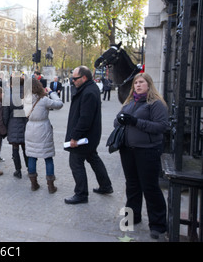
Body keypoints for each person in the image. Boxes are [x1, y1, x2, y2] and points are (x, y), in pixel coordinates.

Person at [114, 73, 168, 240]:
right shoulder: (130, 102)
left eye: (141, 82)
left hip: (148, 150)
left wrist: (135, 122)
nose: (137, 85)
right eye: (136, 82)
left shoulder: (156, 104)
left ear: (149, 84)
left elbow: (161, 126)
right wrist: (121, 119)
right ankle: (132, 217)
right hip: (128, 150)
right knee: (131, 186)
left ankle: (158, 225)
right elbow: (117, 122)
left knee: (150, 187)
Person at [64, 66, 113, 204]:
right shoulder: (89, 88)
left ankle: (81, 194)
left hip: (84, 137)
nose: (73, 81)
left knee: (75, 163)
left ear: (84, 78)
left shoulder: (88, 92)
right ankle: (106, 185)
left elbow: (85, 118)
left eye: (75, 78)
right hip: (90, 136)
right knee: (93, 158)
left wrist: (75, 137)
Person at [24, 78, 63, 193]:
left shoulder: (25, 100)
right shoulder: (44, 100)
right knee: (48, 157)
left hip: (30, 129)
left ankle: (34, 184)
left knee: (31, 156)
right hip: (43, 129)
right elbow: (59, 104)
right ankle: (51, 186)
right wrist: (52, 92)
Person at [3, 74, 28, 178]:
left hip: (13, 123)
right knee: (26, 148)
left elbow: (5, 114)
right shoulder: (27, 95)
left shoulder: (9, 97)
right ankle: (30, 168)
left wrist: (6, 126)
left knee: (15, 148)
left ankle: (18, 170)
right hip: (26, 124)